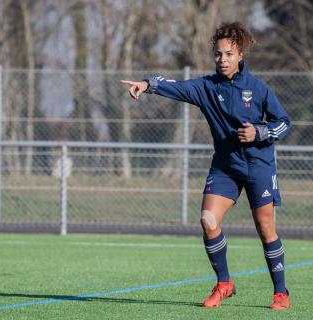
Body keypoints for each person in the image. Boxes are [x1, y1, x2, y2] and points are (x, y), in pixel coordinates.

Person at [121, 22, 291, 310]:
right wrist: (147, 84)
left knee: (265, 229)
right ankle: (224, 283)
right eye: (218, 54)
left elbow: (284, 123)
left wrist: (259, 133)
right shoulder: (206, 87)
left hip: (259, 166)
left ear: (240, 56)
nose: (222, 59)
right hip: (225, 166)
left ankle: (280, 292)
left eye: (228, 54)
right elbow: (175, 86)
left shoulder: (258, 89)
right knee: (208, 221)